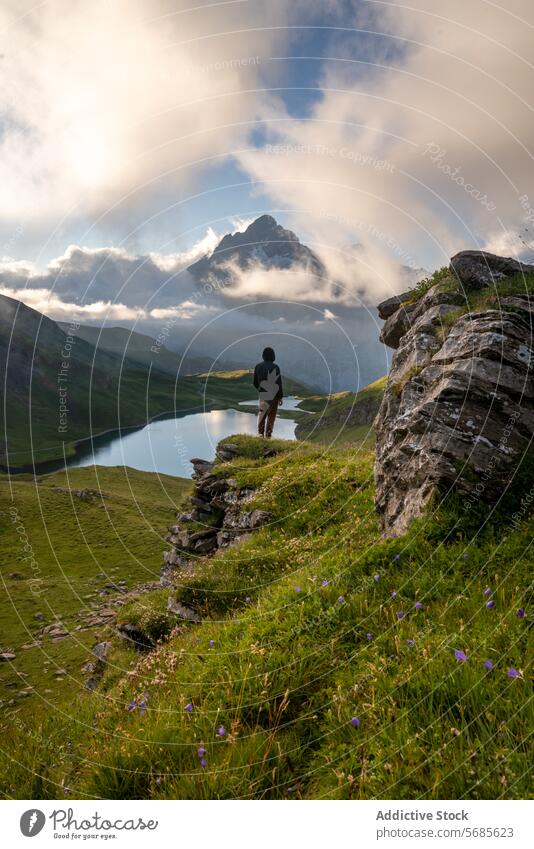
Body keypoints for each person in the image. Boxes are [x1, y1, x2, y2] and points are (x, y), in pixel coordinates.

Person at [253, 347, 283, 438]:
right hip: (274, 396)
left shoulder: (258, 366)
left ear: (263, 356)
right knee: (271, 416)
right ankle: (268, 435)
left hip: (263, 395)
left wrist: (260, 389)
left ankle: (260, 434)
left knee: (262, 415)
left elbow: (255, 383)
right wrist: (280, 396)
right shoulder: (275, 367)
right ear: (273, 356)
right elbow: (279, 383)